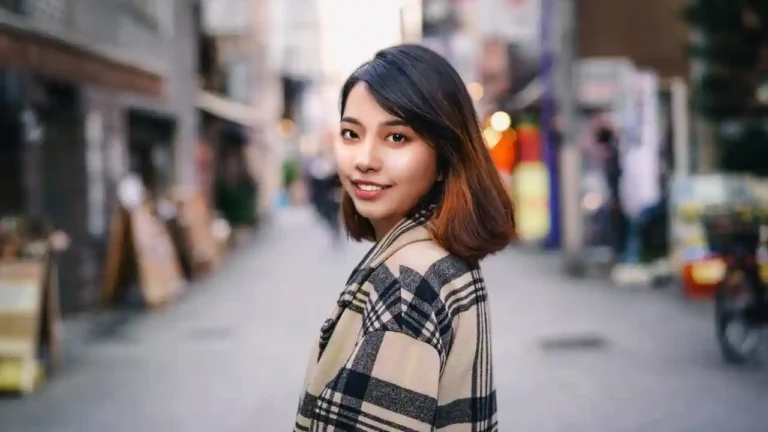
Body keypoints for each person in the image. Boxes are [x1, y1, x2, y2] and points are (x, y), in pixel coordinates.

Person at [294, 44, 515, 431]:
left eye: (396, 137)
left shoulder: (406, 286)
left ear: (445, 159)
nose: (365, 159)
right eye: (351, 133)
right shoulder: (439, 258)